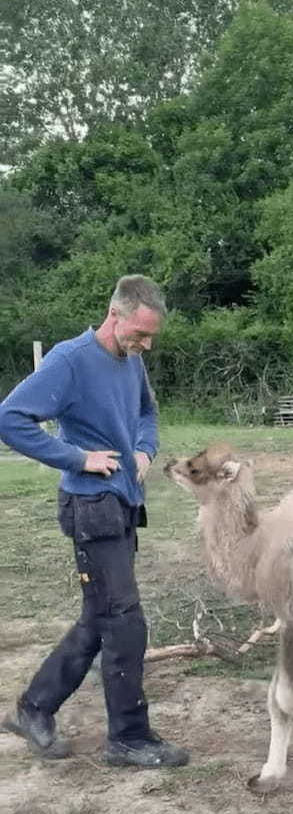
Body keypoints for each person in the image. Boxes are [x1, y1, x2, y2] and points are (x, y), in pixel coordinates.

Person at [0, 275, 189, 767]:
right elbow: (10, 418)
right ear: (115, 316)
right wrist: (76, 458)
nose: (145, 344)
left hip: (125, 502)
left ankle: (33, 708)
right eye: (139, 333)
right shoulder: (69, 360)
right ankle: (128, 737)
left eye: (151, 337)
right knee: (124, 622)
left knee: (100, 617)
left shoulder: (132, 360)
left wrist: (145, 450)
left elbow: (147, 414)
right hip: (92, 509)